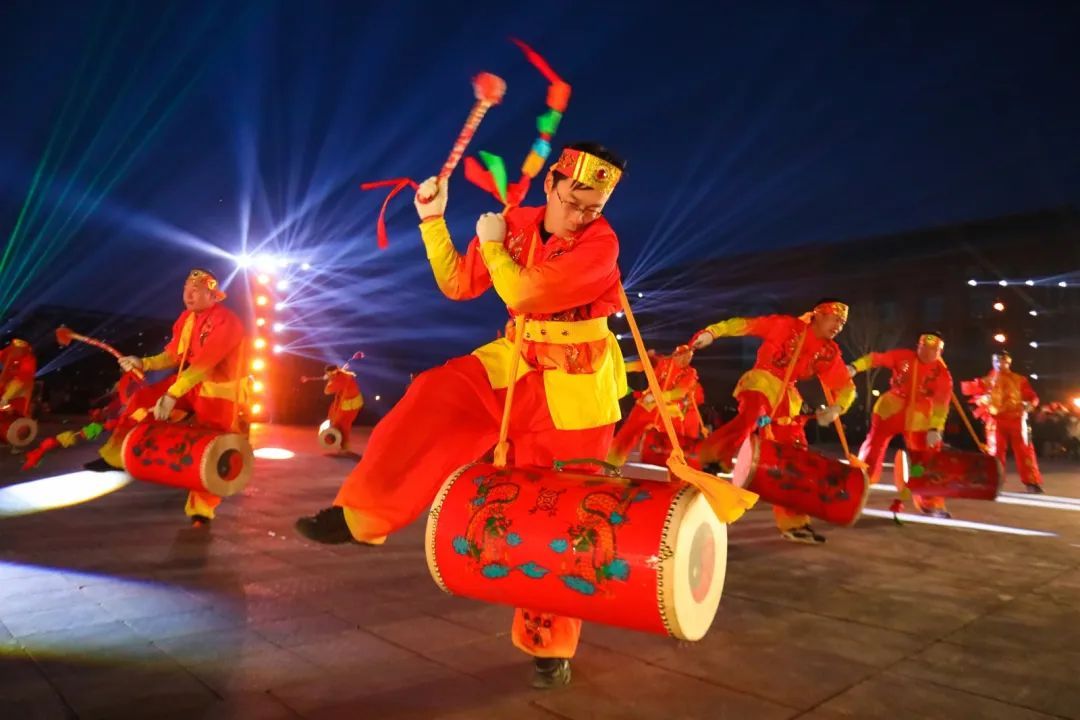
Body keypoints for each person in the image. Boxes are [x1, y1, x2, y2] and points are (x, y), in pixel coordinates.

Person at [296, 143, 628, 688]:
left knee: (557, 518)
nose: (580, 216)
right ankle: (363, 517)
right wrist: (433, 220)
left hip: (578, 387)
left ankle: (548, 646)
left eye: (592, 208)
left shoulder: (601, 244)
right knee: (435, 392)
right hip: (519, 360)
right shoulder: (515, 225)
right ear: (551, 183)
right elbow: (458, 284)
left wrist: (494, 247)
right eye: (573, 202)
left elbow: (525, 292)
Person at [85, 269, 248, 522]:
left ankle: (201, 509)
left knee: (211, 446)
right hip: (189, 382)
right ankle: (115, 457)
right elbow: (173, 355)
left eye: (196, 291)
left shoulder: (227, 322)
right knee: (142, 400)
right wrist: (143, 362)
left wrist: (172, 395)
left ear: (212, 295)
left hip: (219, 390)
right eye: (186, 289)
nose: (188, 295)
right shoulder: (186, 318)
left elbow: (205, 365)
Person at [691, 300, 856, 543]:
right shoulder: (785, 326)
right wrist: (713, 332)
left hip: (786, 398)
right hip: (762, 382)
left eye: (842, 323)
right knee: (753, 413)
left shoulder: (829, 353)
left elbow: (846, 387)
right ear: (819, 314)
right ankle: (712, 458)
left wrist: (837, 408)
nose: (838, 326)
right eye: (835, 319)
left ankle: (794, 523)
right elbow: (744, 325)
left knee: (794, 457)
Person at [850, 332, 952, 517]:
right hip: (891, 409)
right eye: (923, 348)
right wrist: (855, 367)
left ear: (939, 352)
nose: (927, 353)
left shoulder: (942, 374)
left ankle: (929, 499)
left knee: (926, 457)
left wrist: (935, 428)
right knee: (873, 448)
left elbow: (941, 405)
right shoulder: (903, 357)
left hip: (920, 417)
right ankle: (858, 484)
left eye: (933, 350)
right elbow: (876, 358)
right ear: (918, 346)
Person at [961, 351, 1043, 493]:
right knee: (995, 452)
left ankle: (1032, 481)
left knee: (1025, 451)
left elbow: (1032, 396)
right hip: (996, 421)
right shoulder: (986, 381)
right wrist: (982, 400)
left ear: (1009, 362)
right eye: (997, 361)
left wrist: (1030, 404)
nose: (1000, 364)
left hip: (1017, 419)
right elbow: (972, 395)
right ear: (993, 362)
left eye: (1003, 361)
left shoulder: (1019, 379)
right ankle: (994, 481)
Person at [606, 344, 701, 466]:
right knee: (630, 430)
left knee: (676, 438)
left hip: (668, 409)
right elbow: (641, 365)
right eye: (683, 356)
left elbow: (680, 392)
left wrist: (657, 397)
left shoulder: (690, 372)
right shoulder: (662, 362)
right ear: (675, 355)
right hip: (648, 405)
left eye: (689, 357)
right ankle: (614, 458)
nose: (685, 360)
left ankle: (678, 465)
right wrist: (621, 367)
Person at [323, 364, 364, 452]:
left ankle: (344, 446)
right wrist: (331, 378)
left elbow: (327, 390)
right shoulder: (341, 375)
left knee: (343, 424)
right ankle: (342, 444)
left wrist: (330, 380)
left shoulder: (341, 379)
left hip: (350, 405)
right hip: (348, 403)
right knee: (338, 421)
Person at [0, 338, 36, 417]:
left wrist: (6, 397)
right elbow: (3, 354)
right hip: (7, 383)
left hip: (19, 388)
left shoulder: (28, 359)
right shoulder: (9, 351)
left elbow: (23, 378)